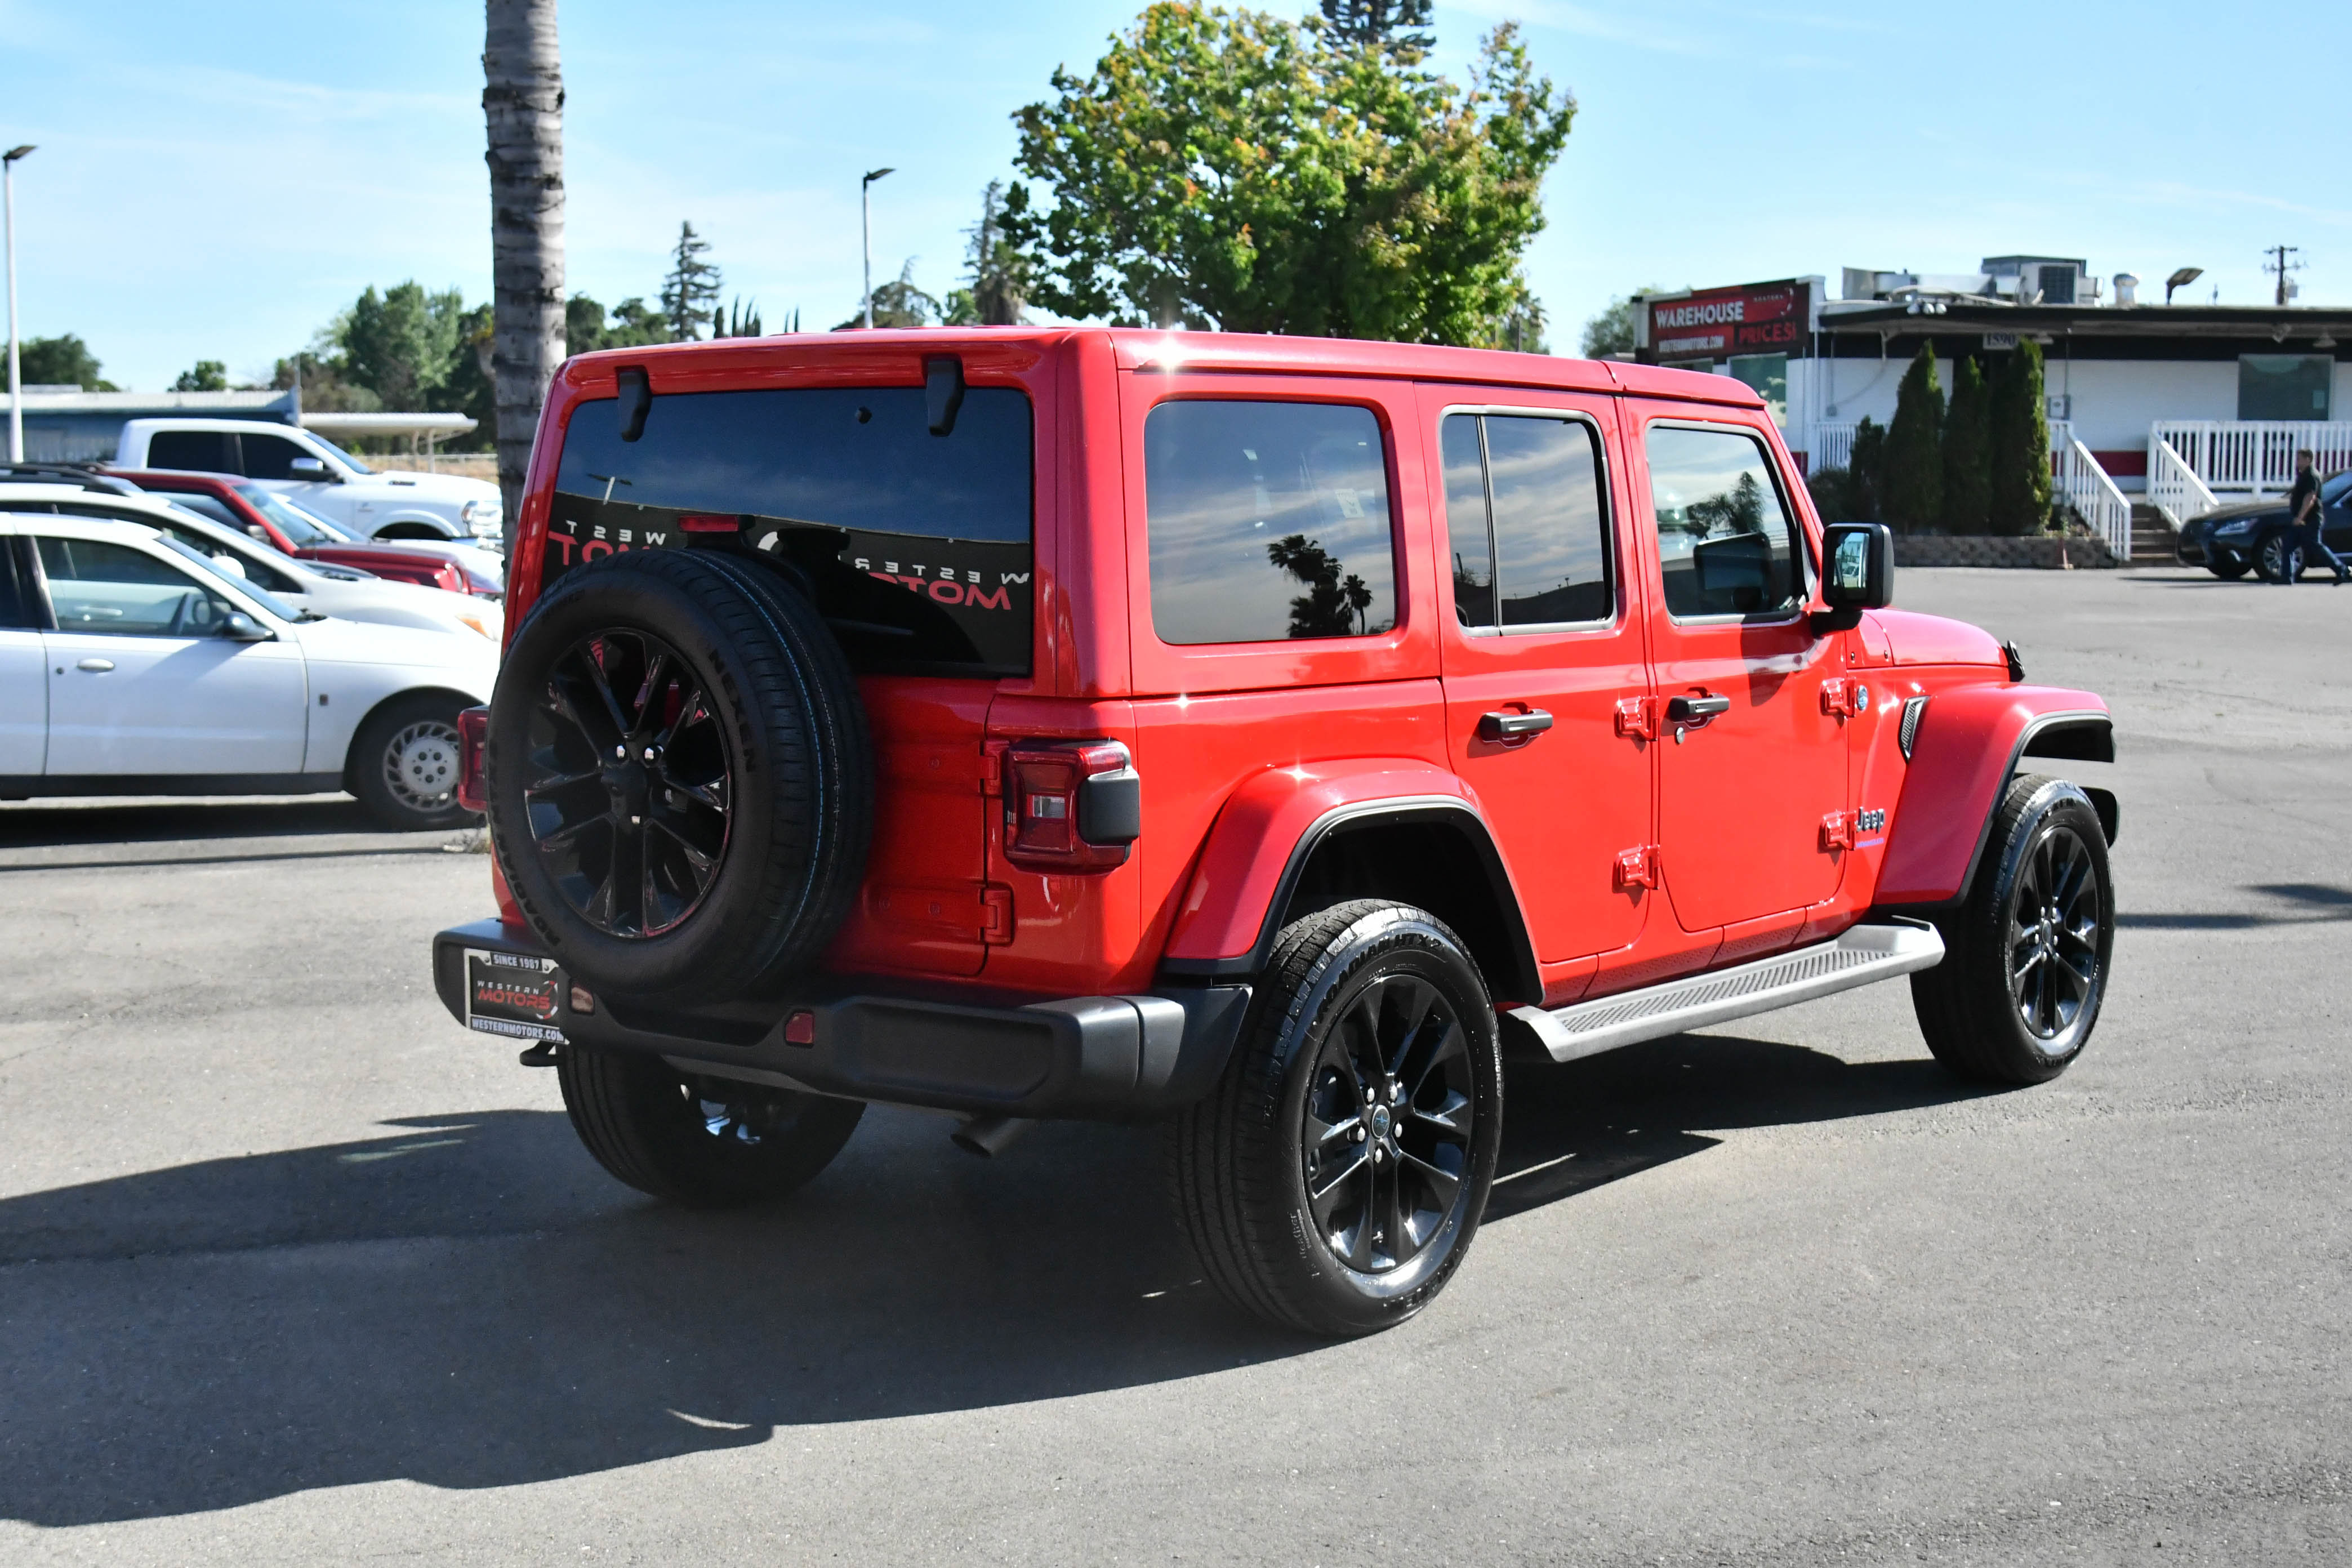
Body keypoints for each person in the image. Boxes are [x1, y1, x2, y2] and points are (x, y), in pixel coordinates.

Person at [2280, 448, 2348, 586]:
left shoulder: (2311, 476)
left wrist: (2300, 517)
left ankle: (2341, 569)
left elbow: (2310, 498)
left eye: (2299, 459)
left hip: (2310, 519)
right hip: (2302, 519)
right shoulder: (2303, 474)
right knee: (2288, 546)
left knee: (2315, 546)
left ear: (2308, 460)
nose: (2297, 462)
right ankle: (2286, 578)